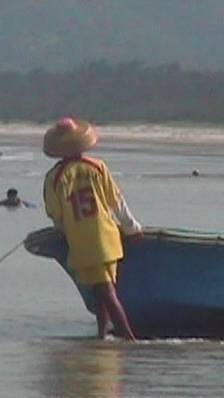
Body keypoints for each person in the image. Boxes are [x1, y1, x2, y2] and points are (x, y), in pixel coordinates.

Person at [42, 117, 143, 341]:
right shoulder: (98, 167)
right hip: (108, 237)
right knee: (101, 290)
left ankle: (129, 339)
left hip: (84, 242)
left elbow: (56, 214)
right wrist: (132, 228)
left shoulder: (54, 178)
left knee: (106, 292)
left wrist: (64, 231)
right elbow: (116, 202)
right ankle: (102, 335)